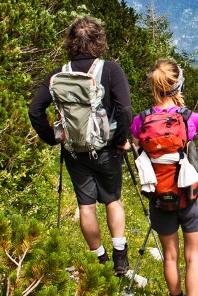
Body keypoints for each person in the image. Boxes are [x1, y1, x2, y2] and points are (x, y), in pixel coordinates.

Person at [28, 16, 133, 275]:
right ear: (99, 41)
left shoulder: (59, 74)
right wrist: (121, 141)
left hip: (74, 151)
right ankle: (120, 257)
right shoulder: (110, 70)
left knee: (86, 206)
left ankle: (99, 258)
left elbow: (35, 110)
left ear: (71, 42)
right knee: (113, 200)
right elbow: (125, 110)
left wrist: (53, 138)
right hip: (107, 149)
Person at [131, 60, 198, 296]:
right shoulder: (190, 118)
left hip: (160, 198)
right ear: (178, 85)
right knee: (193, 256)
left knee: (170, 256)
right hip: (191, 197)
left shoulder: (141, 120)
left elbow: (134, 147)